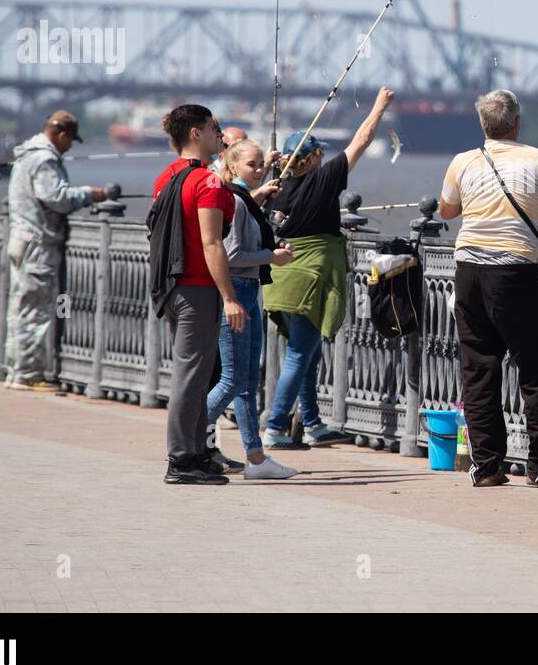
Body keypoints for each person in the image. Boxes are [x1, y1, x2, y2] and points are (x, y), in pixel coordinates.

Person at [436, 89, 538, 488]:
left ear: (483, 125)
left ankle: (487, 466)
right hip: (516, 272)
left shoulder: (462, 161)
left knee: (479, 369)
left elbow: (447, 211)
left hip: (468, 271)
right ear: (517, 123)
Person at [262, 87, 394, 449]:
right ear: (316, 156)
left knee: (309, 352)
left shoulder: (274, 188)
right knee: (300, 355)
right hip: (306, 283)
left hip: (277, 281)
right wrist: (379, 106)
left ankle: (312, 423)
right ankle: (274, 428)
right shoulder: (324, 179)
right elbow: (362, 140)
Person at [151, 104, 242, 486]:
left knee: (198, 374)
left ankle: (198, 452)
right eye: (213, 127)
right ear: (195, 134)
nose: (218, 134)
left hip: (172, 287)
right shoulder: (207, 182)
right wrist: (230, 297)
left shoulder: (166, 177)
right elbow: (211, 244)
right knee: (191, 377)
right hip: (198, 288)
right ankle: (182, 459)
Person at [203, 139, 300, 479]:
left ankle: (256, 458)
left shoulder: (244, 199)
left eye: (262, 164)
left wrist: (271, 249)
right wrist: (272, 257)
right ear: (232, 167)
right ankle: (188, 432)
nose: (259, 170)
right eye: (252, 165)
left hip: (249, 290)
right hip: (238, 291)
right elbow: (230, 256)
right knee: (232, 378)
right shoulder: (236, 202)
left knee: (246, 381)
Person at [4, 112, 104, 391]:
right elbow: (56, 198)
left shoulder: (25, 155)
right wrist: (91, 194)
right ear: (61, 134)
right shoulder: (44, 159)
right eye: (70, 140)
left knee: (19, 307)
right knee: (36, 310)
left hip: (21, 240)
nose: (70, 146)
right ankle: (29, 374)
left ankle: (16, 371)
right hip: (38, 244)